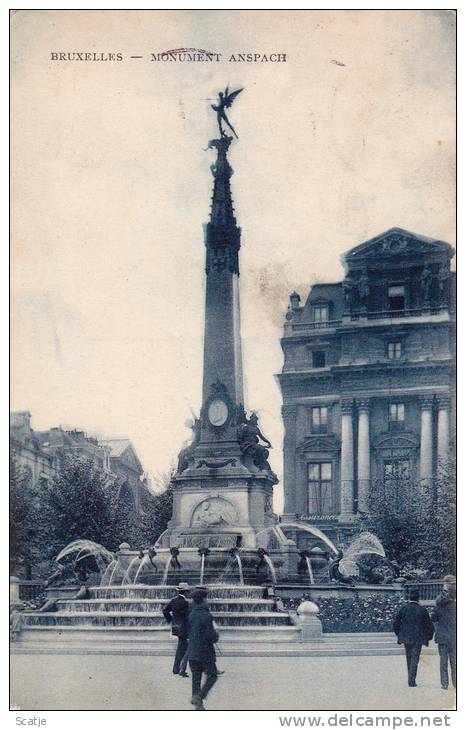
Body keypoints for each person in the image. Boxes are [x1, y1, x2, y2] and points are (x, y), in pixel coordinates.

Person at [393, 587, 434, 687]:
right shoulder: (422, 610)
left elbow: (396, 623)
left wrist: (399, 634)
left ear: (409, 597)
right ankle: (411, 680)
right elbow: (429, 626)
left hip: (406, 637)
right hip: (418, 638)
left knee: (409, 658)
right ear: (418, 598)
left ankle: (410, 679)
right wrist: (428, 637)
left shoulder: (403, 608)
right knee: (415, 659)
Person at [187, 586, 219, 711]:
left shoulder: (191, 614)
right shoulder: (206, 615)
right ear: (203, 600)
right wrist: (216, 635)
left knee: (196, 678)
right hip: (205, 653)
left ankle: (199, 707)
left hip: (192, 652)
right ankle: (199, 697)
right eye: (207, 598)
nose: (208, 601)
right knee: (212, 676)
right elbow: (211, 636)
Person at [431, 575, 456, 690]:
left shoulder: (438, 605)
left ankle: (444, 684)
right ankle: (456, 683)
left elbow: (434, 618)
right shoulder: (455, 605)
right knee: (455, 661)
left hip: (442, 636)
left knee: (443, 662)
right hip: (454, 636)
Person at [162, 582, 190, 677]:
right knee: (183, 649)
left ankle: (177, 668)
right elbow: (187, 617)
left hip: (176, 627)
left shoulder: (173, 600)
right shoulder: (185, 603)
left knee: (181, 648)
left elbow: (165, 611)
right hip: (184, 628)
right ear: (185, 592)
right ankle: (179, 669)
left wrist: (171, 620)